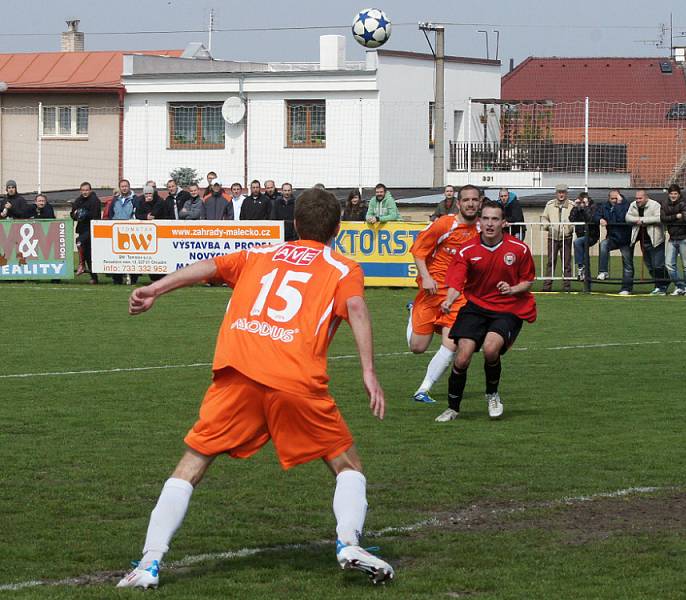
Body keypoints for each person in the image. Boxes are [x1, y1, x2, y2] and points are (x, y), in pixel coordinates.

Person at [117, 188, 393, 589]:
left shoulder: (259, 255)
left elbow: (207, 266)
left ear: (295, 223)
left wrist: (155, 289)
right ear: (337, 229)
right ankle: (349, 542)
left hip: (238, 373)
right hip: (295, 379)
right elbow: (355, 308)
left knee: (192, 464)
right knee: (346, 464)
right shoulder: (342, 268)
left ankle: (149, 562)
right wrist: (368, 371)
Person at [435, 200, 537, 422]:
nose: (490, 224)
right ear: (479, 222)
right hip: (476, 308)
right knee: (462, 358)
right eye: (486, 219)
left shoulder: (519, 249)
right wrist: (449, 300)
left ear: (504, 222)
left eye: (495, 219)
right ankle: (452, 408)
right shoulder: (467, 250)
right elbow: (456, 282)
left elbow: (528, 281)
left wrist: (512, 289)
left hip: (508, 308)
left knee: (491, 349)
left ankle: (492, 394)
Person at [406, 185, 482, 404]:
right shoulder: (444, 224)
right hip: (432, 291)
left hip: (458, 295)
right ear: (459, 203)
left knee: (452, 343)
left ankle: (423, 390)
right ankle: (413, 311)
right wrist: (426, 277)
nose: (470, 203)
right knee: (417, 348)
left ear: (480, 202)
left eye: (474, 200)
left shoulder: (482, 229)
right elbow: (418, 250)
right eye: (466, 200)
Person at [626, 189, 668, 295]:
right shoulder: (633, 205)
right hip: (643, 240)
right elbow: (627, 217)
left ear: (646, 198)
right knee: (649, 265)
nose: (638, 200)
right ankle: (662, 283)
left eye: (640, 198)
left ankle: (661, 286)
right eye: (636, 198)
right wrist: (637, 220)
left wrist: (644, 220)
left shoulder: (655, 205)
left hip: (656, 239)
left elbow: (659, 218)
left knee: (658, 265)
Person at [596, 189, 634, 295]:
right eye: (612, 198)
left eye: (615, 198)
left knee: (627, 264)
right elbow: (596, 215)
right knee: (603, 244)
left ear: (620, 197)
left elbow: (622, 217)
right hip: (612, 237)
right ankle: (603, 271)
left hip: (625, 238)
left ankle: (626, 288)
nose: (613, 200)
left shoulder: (627, 205)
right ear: (608, 198)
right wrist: (599, 219)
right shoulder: (605, 206)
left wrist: (619, 204)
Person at [540, 184, 574, 292]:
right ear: (556, 193)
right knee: (550, 262)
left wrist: (570, 228)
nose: (561, 194)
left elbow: (575, 219)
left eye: (563, 192)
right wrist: (548, 226)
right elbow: (544, 218)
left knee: (567, 262)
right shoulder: (549, 205)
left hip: (566, 237)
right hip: (552, 237)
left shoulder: (572, 205)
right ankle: (547, 286)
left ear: (566, 193)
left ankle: (567, 286)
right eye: (559, 192)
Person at [661, 184, 686, 295]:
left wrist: (671, 218)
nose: (673, 196)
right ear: (668, 194)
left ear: (679, 194)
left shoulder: (684, 203)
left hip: (684, 238)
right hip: (672, 238)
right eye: (671, 194)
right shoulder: (665, 204)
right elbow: (663, 219)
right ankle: (680, 286)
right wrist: (676, 216)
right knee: (669, 264)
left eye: (675, 194)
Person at [107, 179, 139, 285]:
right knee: (117, 256)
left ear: (129, 187)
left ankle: (133, 279)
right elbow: (111, 214)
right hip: (117, 231)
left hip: (132, 231)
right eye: (122, 186)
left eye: (126, 186)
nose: (124, 188)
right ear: (119, 188)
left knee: (132, 257)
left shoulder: (135, 199)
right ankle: (117, 278)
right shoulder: (115, 200)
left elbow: (137, 214)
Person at [71, 182, 102, 283]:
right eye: (83, 190)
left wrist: (84, 214)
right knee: (88, 254)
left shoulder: (95, 200)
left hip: (92, 229)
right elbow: (72, 213)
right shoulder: (78, 200)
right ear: (80, 190)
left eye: (87, 190)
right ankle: (94, 278)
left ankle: (81, 264)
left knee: (79, 241)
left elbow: (95, 215)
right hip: (82, 229)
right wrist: (76, 215)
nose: (85, 192)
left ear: (90, 190)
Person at [569, 192, 600, 281]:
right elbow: (571, 219)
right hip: (581, 235)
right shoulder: (578, 208)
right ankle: (586, 278)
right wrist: (575, 206)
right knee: (585, 258)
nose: (581, 204)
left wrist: (586, 207)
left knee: (577, 242)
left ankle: (580, 267)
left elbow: (590, 219)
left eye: (583, 202)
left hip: (591, 235)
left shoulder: (593, 207)